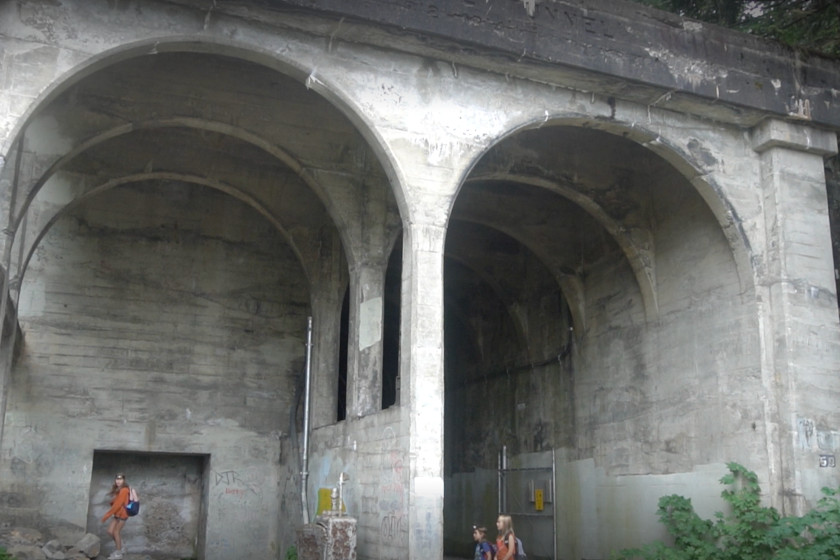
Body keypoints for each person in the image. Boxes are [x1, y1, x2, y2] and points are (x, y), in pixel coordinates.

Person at [101, 473, 130, 559]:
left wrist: (107, 515)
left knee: (116, 532)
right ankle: (121, 547)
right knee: (110, 531)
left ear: (124, 480)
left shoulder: (124, 490)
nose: (118, 481)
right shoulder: (119, 489)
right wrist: (112, 502)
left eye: (120, 479)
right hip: (117, 514)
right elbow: (117, 501)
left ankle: (118, 553)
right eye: (117, 479)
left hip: (123, 514)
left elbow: (118, 504)